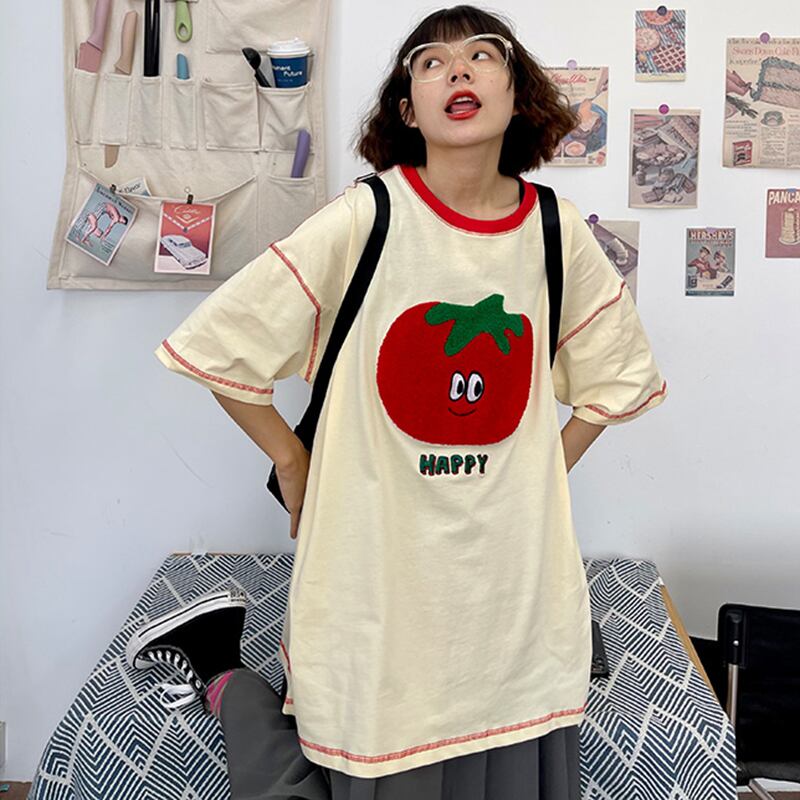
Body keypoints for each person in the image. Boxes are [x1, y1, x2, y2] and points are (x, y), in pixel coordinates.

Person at [138, 5, 668, 798]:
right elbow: (219, 344)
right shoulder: (368, 217)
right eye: (431, 62)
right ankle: (227, 679)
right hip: (377, 565)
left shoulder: (555, 231)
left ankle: (222, 673)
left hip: (509, 581)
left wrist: (541, 470)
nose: (458, 69)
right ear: (406, 109)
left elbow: (617, 375)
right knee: (359, 755)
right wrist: (292, 458)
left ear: (518, 94)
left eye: (484, 55)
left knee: (509, 749)